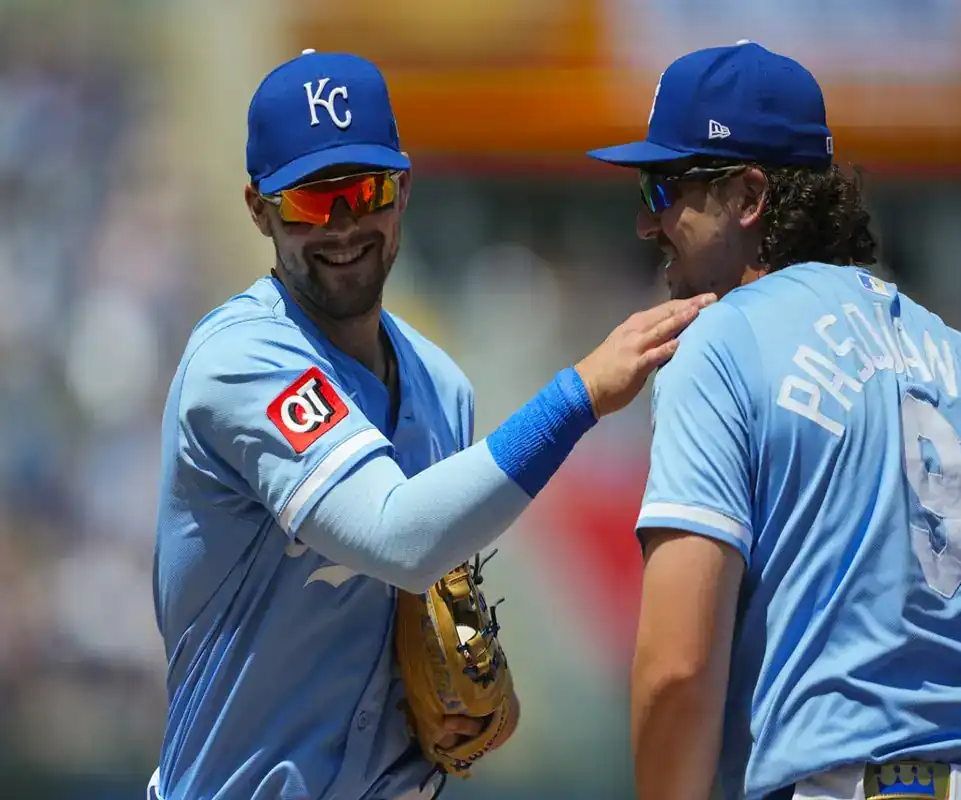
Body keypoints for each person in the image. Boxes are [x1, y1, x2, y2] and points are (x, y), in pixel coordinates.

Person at [149, 49, 712, 800]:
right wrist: (576, 396)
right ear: (259, 208)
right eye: (314, 201)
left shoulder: (441, 385)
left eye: (367, 190)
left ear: (404, 189)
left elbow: (425, 585)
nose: (346, 223)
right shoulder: (241, 358)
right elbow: (400, 537)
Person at [587, 41, 961, 800]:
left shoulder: (722, 341)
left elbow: (676, 670)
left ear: (750, 196)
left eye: (665, 189)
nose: (646, 225)